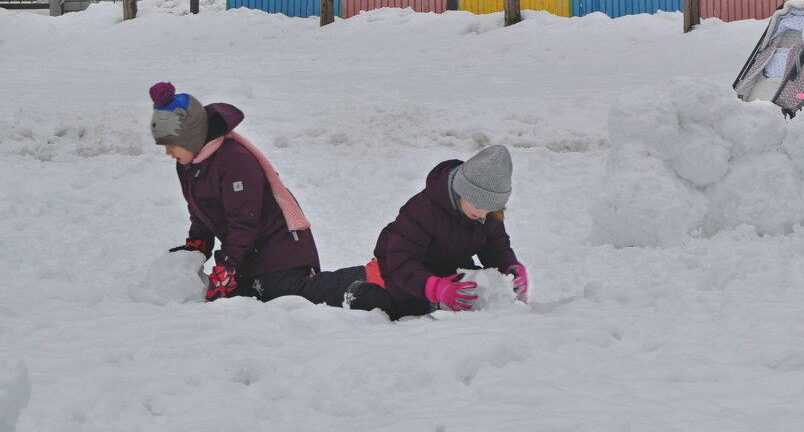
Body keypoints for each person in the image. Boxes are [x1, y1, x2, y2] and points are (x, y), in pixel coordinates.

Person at [150, 82, 366, 306]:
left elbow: (244, 221)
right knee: (242, 299)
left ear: (191, 138)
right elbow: (202, 211)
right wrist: (198, 243)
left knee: (287, 297)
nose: (167, 152)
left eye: (171, 144)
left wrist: (227, 266)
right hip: (249, 252)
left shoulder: (233, 161)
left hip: (280, 248)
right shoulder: (190, 165)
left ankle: (366, 277)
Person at [344, 145, 529, 320]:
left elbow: (495, 248)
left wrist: (510, 269)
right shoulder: (423, 210)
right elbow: (401, 261)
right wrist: (435, 288)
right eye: (478, 205)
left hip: (444, 270)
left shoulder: (485, 214)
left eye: (489, 209)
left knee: (475, 294)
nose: (482, 214)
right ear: (462, 190)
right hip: (396, 271)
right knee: (397, 308)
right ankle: (343, 289)